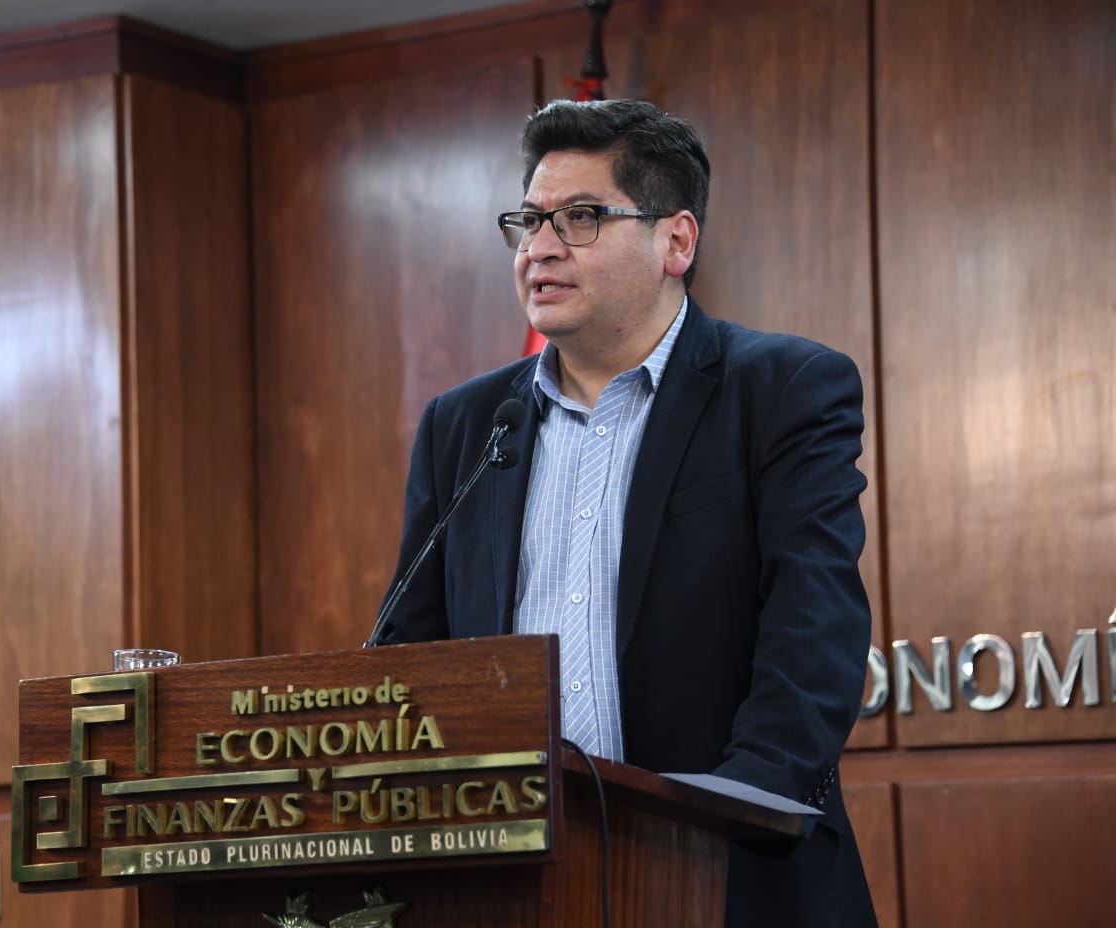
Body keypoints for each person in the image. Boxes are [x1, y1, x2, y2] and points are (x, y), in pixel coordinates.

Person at [373, 98, 876, 926]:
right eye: (529, 221)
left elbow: (813, 630)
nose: (539, 248)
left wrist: (716, 823)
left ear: (676, 242)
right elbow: (411, 656)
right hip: (512, 888)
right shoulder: (467, 426)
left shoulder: (781, 390)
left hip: (731, 880)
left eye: (581, 218)